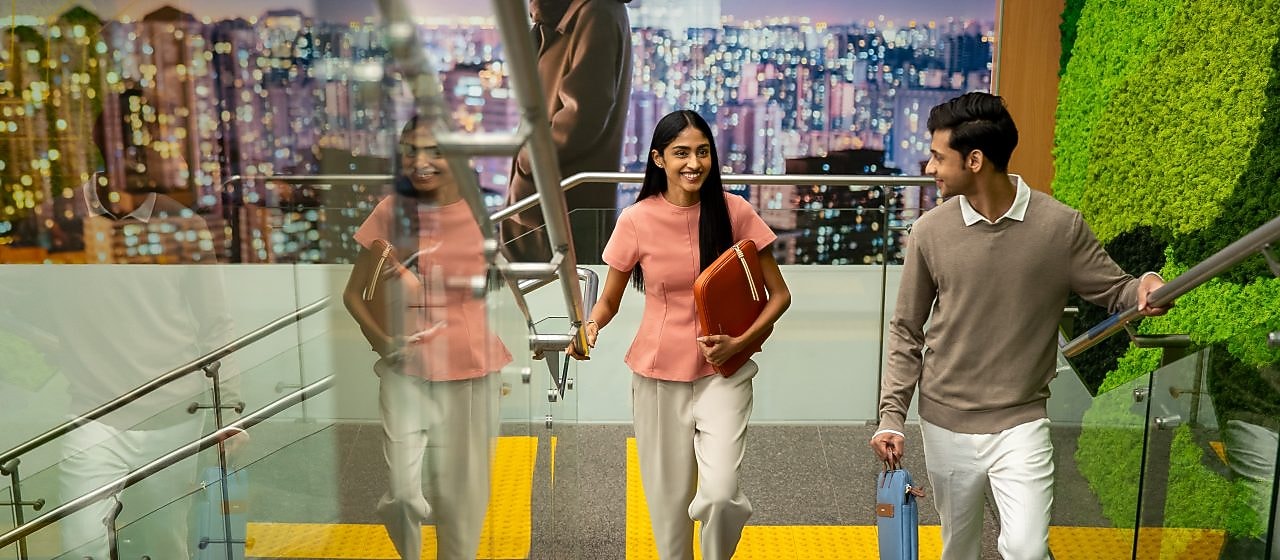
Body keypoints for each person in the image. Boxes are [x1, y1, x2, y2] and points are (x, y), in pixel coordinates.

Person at [870, 92, 1173, 560]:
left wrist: (1146, 285)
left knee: (1028, 549)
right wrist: (892, 417)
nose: (929, 168)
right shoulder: (930, 231)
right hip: (945, 419)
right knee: (959, 546)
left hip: (1022, 420)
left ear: (975, 160)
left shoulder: (1059, 227)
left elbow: (1116, 289)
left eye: (937, 156)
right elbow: (906, 330)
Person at [569, 110, 791, 560]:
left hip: (723, 373)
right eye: (681, 153)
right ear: (658, 159)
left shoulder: (735, 211)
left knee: (721, 495)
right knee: (669, 517)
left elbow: (779, 296)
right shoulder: (635, 219)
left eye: (703, 152)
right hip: (656, 378)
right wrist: (589, 326)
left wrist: (740, 343)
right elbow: (608, 300)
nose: (694, 163)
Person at [32, 87, 242, 560]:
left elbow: (216, 325)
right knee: (80, 545)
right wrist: (50, 344)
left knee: (166, 543)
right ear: (101, 141)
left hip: (173, 417)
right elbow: (19, 302)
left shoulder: (181, 225)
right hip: (92, 415)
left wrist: (229, 411)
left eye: (149, 137)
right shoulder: (57, 218)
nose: (139, 148)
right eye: (127, 136)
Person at [343, 117, 512, 560]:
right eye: (411, 150)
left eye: (434, 150)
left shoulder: (482, 214)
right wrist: (383, 343)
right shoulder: (390, 211)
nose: (421, 162)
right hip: (406, 372)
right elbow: (353, 295)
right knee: (402, 495)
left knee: (461, 502)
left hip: (471, 368)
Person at [504, 0, 633, 263]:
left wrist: (528, 159)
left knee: (556, 296)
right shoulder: (566, 17)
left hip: (559, 203)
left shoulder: (597, 13)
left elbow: (583, 116)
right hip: (544, 199)